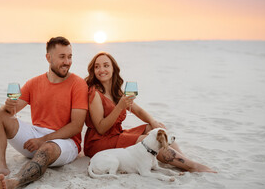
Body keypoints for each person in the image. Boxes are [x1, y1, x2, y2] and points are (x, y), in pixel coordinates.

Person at [0, 37, 89, 188]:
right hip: (35, 137)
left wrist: (43, 140)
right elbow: (12, 111)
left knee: (47, 148)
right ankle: (0, 166)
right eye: (62, 57)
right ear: (48, 57)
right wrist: (8, 106)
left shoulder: (78, 84)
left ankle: (15, 182)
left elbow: (76, 126)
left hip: (65, 142)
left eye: (70, 57)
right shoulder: (34, 83)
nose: (67, 62)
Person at [84, 52, 216, 173]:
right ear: (93, 70)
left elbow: (139, 111)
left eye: (106, 65)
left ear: (113, 69)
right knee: (147, 141)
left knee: (155, 129)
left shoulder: (117, 92)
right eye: (97, 67)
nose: (101, 70)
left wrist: (153, 122)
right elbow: (101, 128)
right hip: (99, 142)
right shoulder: (95, 93)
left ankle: (184, 160)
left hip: (116, 134)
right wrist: (119, 107)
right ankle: (192, 166)